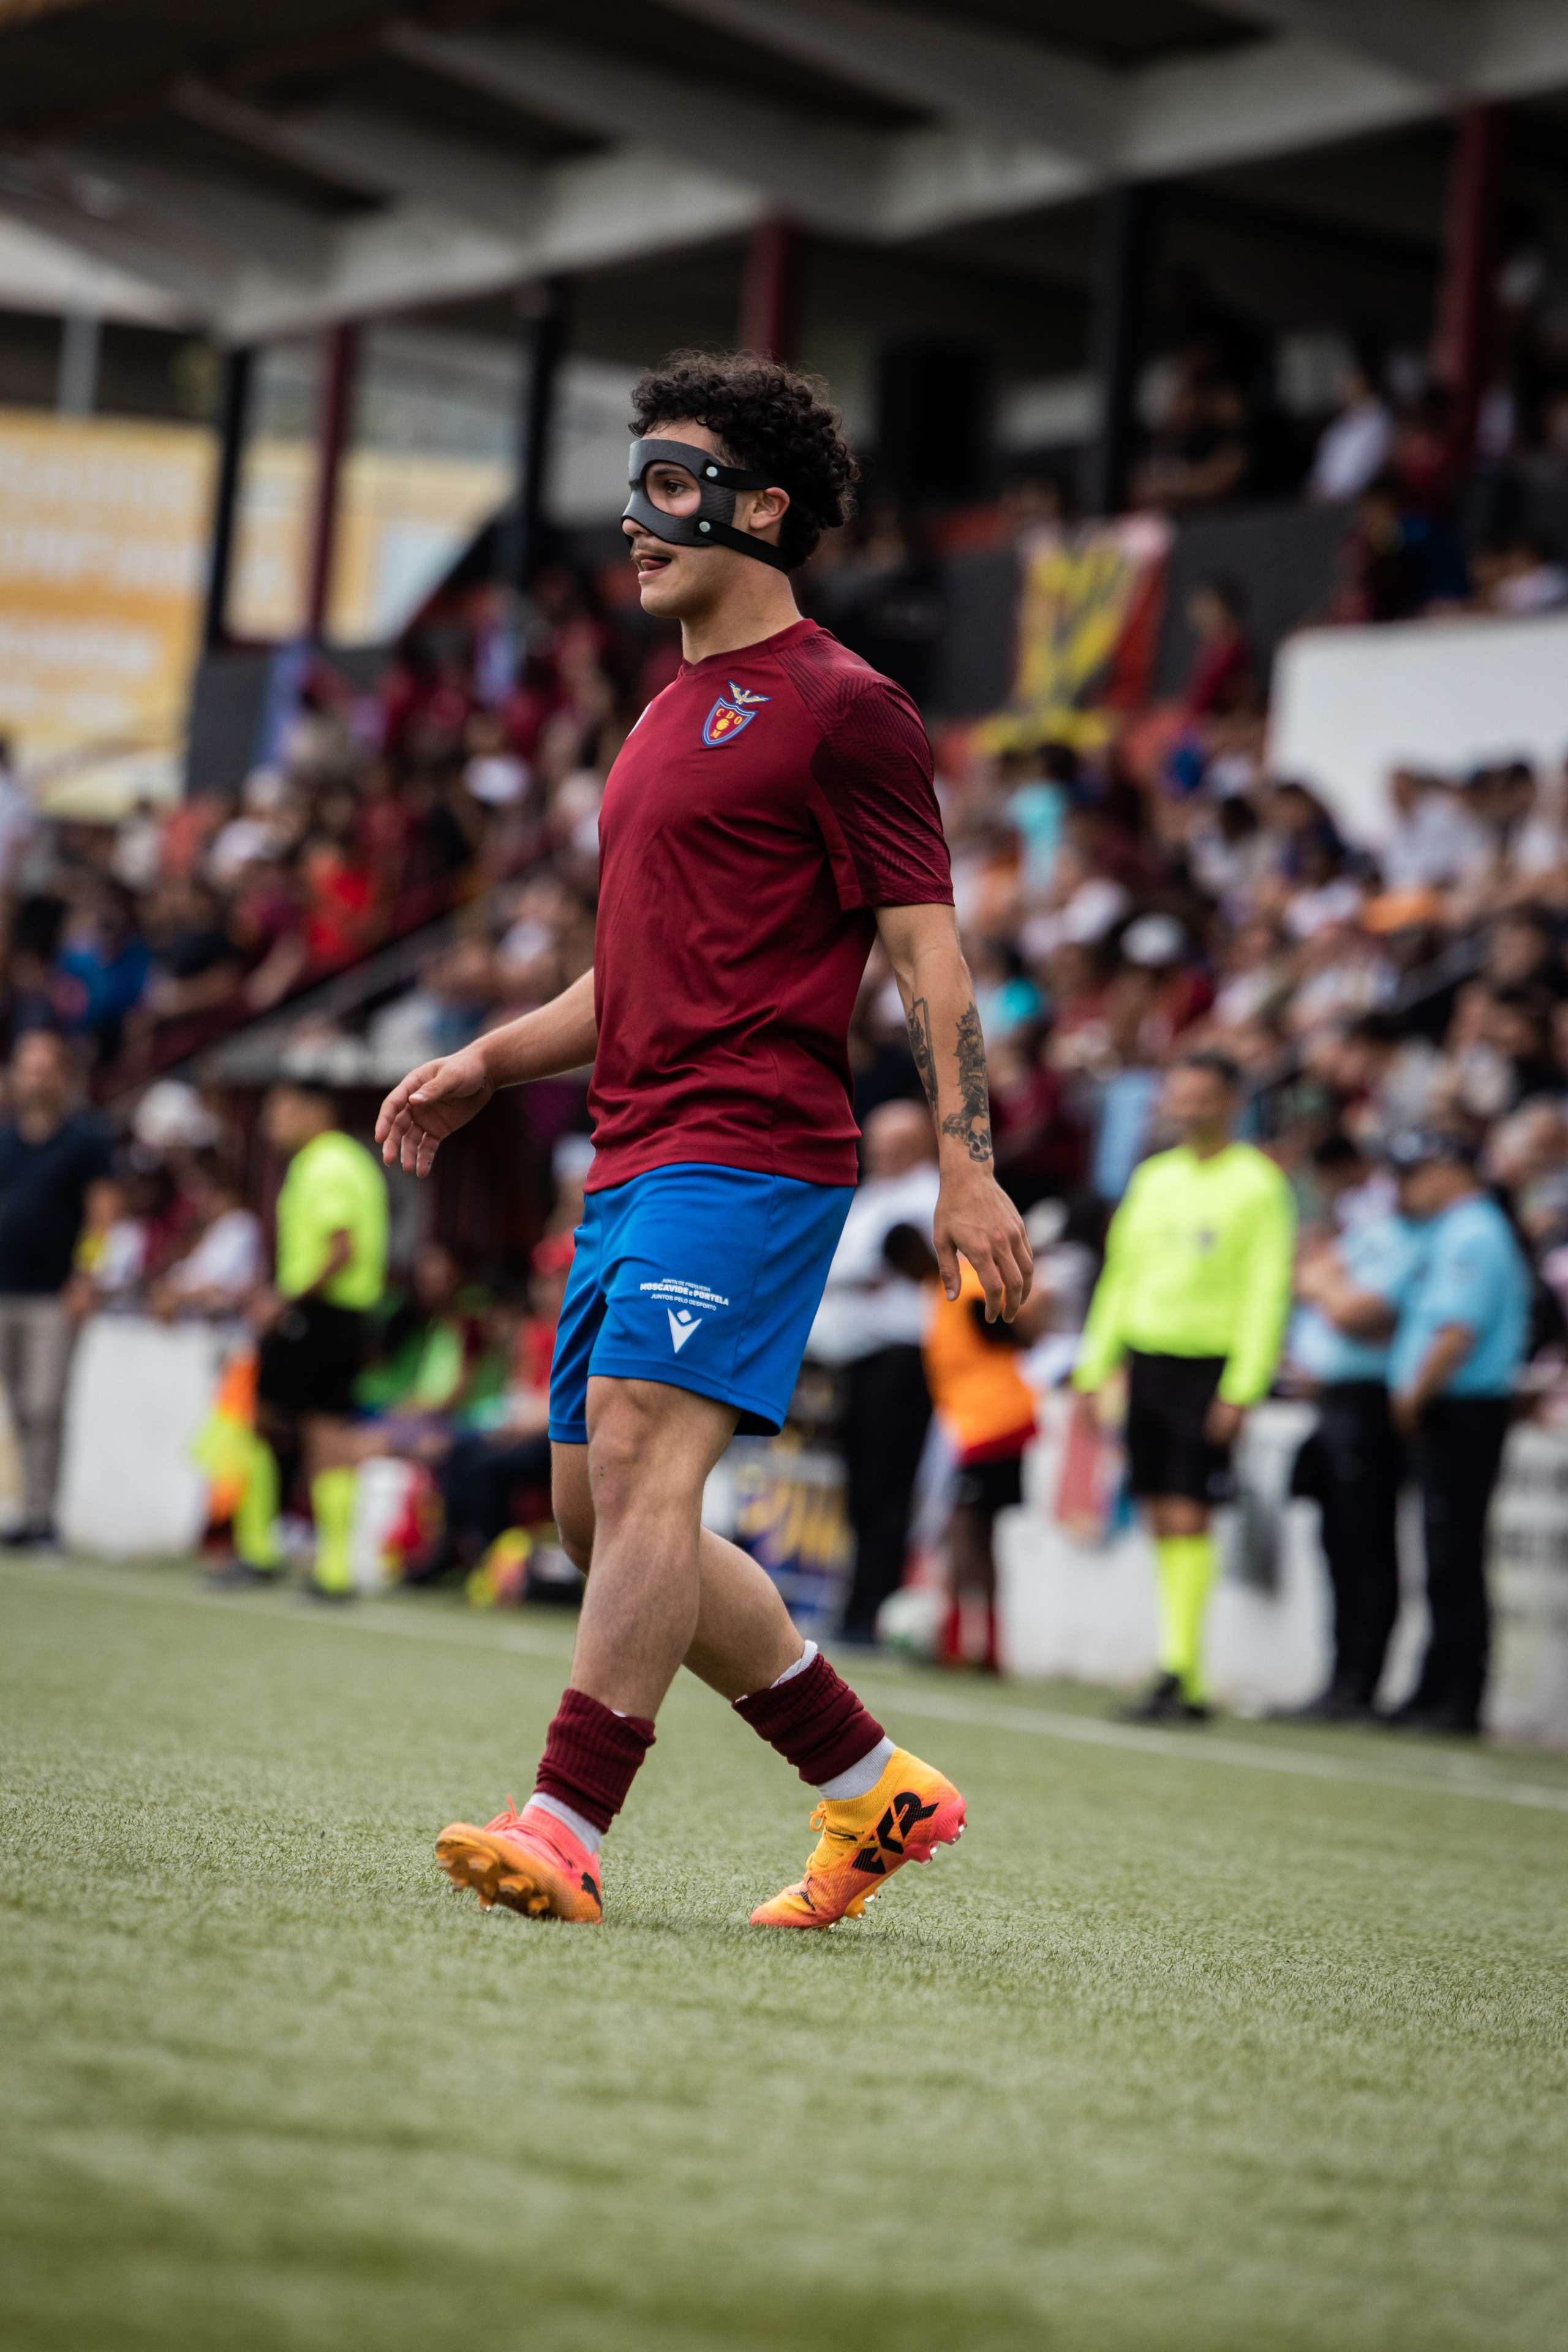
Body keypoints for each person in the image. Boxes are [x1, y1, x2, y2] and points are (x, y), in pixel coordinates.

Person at [376, 350, 1031, 1929]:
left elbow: (925, 951)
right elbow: (633, 970)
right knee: (598, 1513)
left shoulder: (843, 707)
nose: (637, 517)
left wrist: (964, 1155)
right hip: (629, 1152)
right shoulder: (664, 714)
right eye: (636, 481)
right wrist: (485, 1057)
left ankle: (564, 1821)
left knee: (643, 1464)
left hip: (752, 1151)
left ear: (766, 510)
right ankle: (869, 1785)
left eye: (671, 483)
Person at [1072, 1052, 1295, 1721]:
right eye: (1180, 1097)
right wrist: (1094, 1365)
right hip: (1147, 1361)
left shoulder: (1258, 1184)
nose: (1187, 1109)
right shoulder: (1152, 1179)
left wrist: (1243, 1386)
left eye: (1201, 1098)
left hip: (1209, 1368)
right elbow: (1119, 1277)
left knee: (1189, 1510)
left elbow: (1267, 1290)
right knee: (1159, 1510)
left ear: (1231, 1102)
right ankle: (1179, 1670)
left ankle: (1183, 1672)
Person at [1383, 1131, 1530, 1735]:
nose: (1405, 1188)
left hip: (1461, 1409)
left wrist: (1413, 1395)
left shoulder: (1472, 1232)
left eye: (1415, 1175)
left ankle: (1456, 1697)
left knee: (1453, 1553)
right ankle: (1433, 1686)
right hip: (1453, 1408)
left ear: (1449, 1171)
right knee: (1443, 1553)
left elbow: (1455, 1331)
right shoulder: (1457, 1230)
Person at [227, 1084, 388, 1596]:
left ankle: (261, 1552)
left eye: (281, 1109)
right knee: (325, 1433)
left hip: (318, 1315)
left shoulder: (325, 1164)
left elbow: (340, 1249)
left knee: (276, 1424)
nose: (271, 1121)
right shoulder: (350, 1160)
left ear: (317, 1111)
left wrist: (283, 1300)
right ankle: (332, 1568)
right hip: (344, 1317)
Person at [1286, 1136, 1427, 1720]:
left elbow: (1357, 1312)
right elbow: (1306, 1279)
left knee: (1365, 1544)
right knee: (1338, 1544)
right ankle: (1342, 1676)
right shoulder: (1364, 1234)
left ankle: (1361, 1681)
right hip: (1331, 1399)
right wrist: (1324, 1284)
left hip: (1368, 1401)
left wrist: (1324, 1284)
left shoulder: (1402, 1240)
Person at [806, 1098, 940, 1646]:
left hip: (901, 1358)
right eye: (877, 1144)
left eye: (895, 1145)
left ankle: (874, 1609)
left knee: (887, 1491)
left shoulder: (932, 1195)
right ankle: (857, 1604)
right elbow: (836, 1266)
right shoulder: (872, 1197)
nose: (881, 1154)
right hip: (856, 1361)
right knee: (860, 1489)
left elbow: (874, 1266)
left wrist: (850, 1277)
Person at [0, 1029, 111, 1544]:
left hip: (52, 1293)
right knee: (19, 1407)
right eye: (28, 1067)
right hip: (5, 1288)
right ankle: (26, 1509)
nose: (35, 1077)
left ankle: (44, 1516)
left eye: (45, 1067)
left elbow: (101, 1216)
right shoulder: (5, 1137)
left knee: (44, 1404)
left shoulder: (85, 1140)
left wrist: (86, 1276)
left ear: (61, 1075)